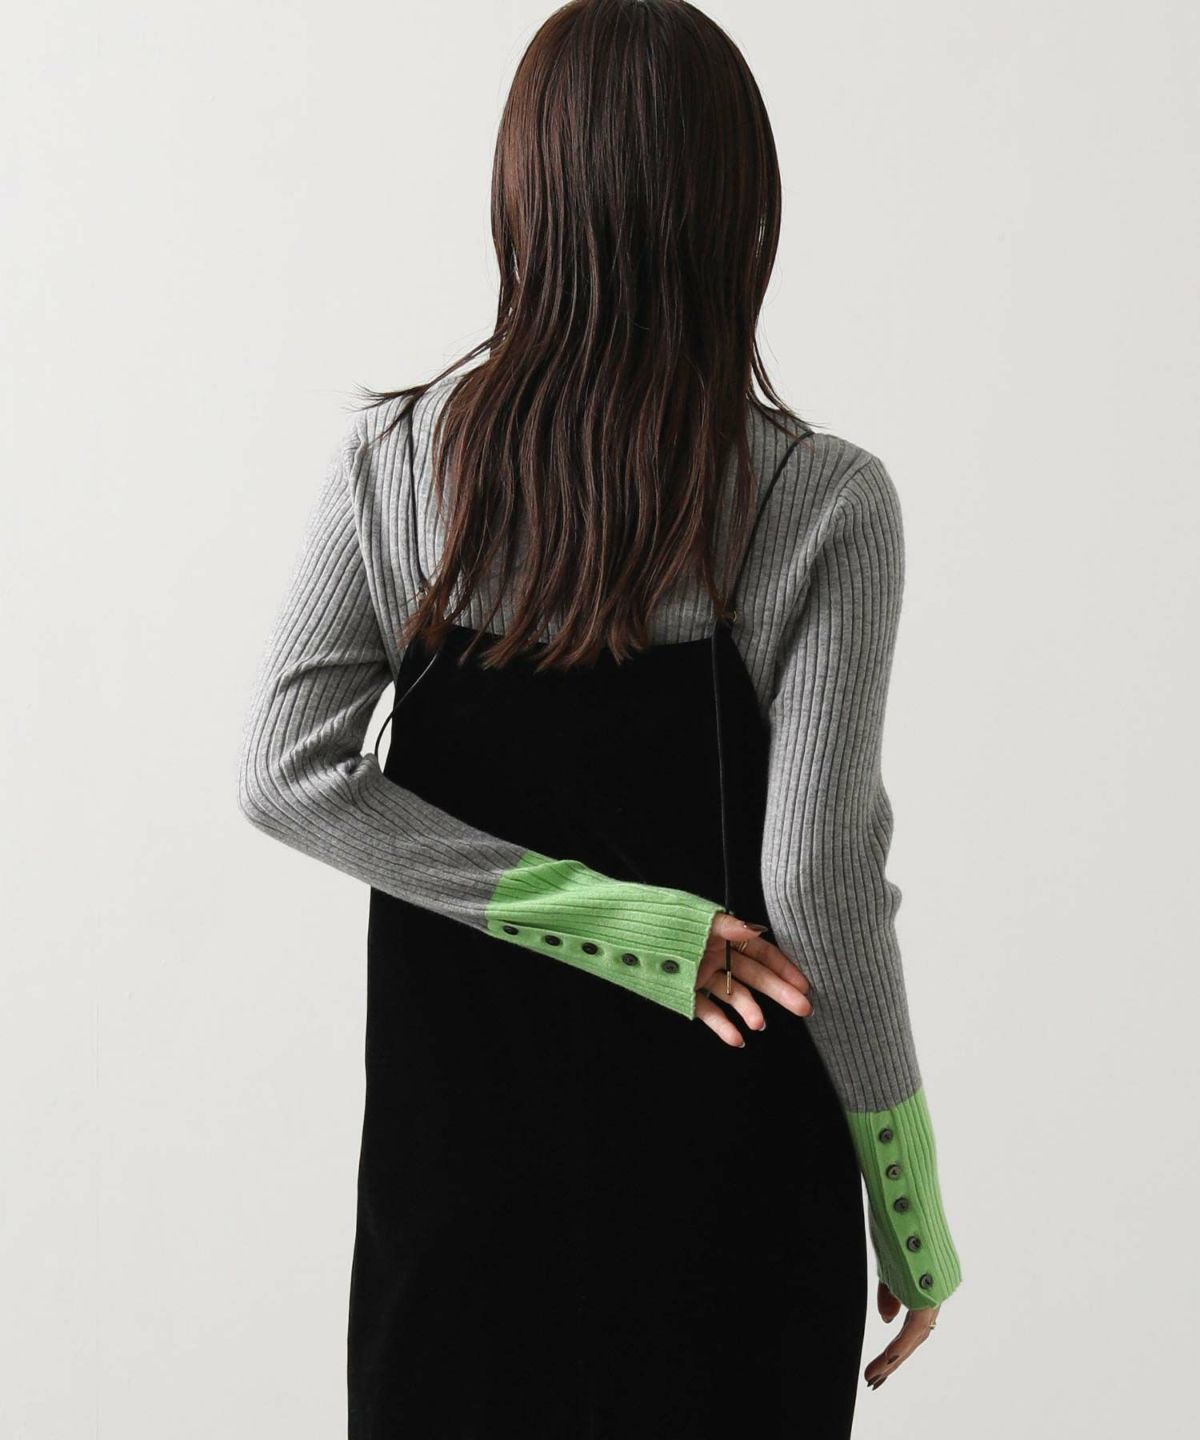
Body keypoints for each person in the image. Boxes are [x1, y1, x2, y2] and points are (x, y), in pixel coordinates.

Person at [236, 1, 962, 1434]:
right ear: (739, 215)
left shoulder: (394, 466)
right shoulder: (820, 500)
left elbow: (290, 773)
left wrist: (579, 913)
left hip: (462, 1210)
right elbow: (817, 880)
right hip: (733, 1208)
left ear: (525, 199)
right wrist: (908, 1197)